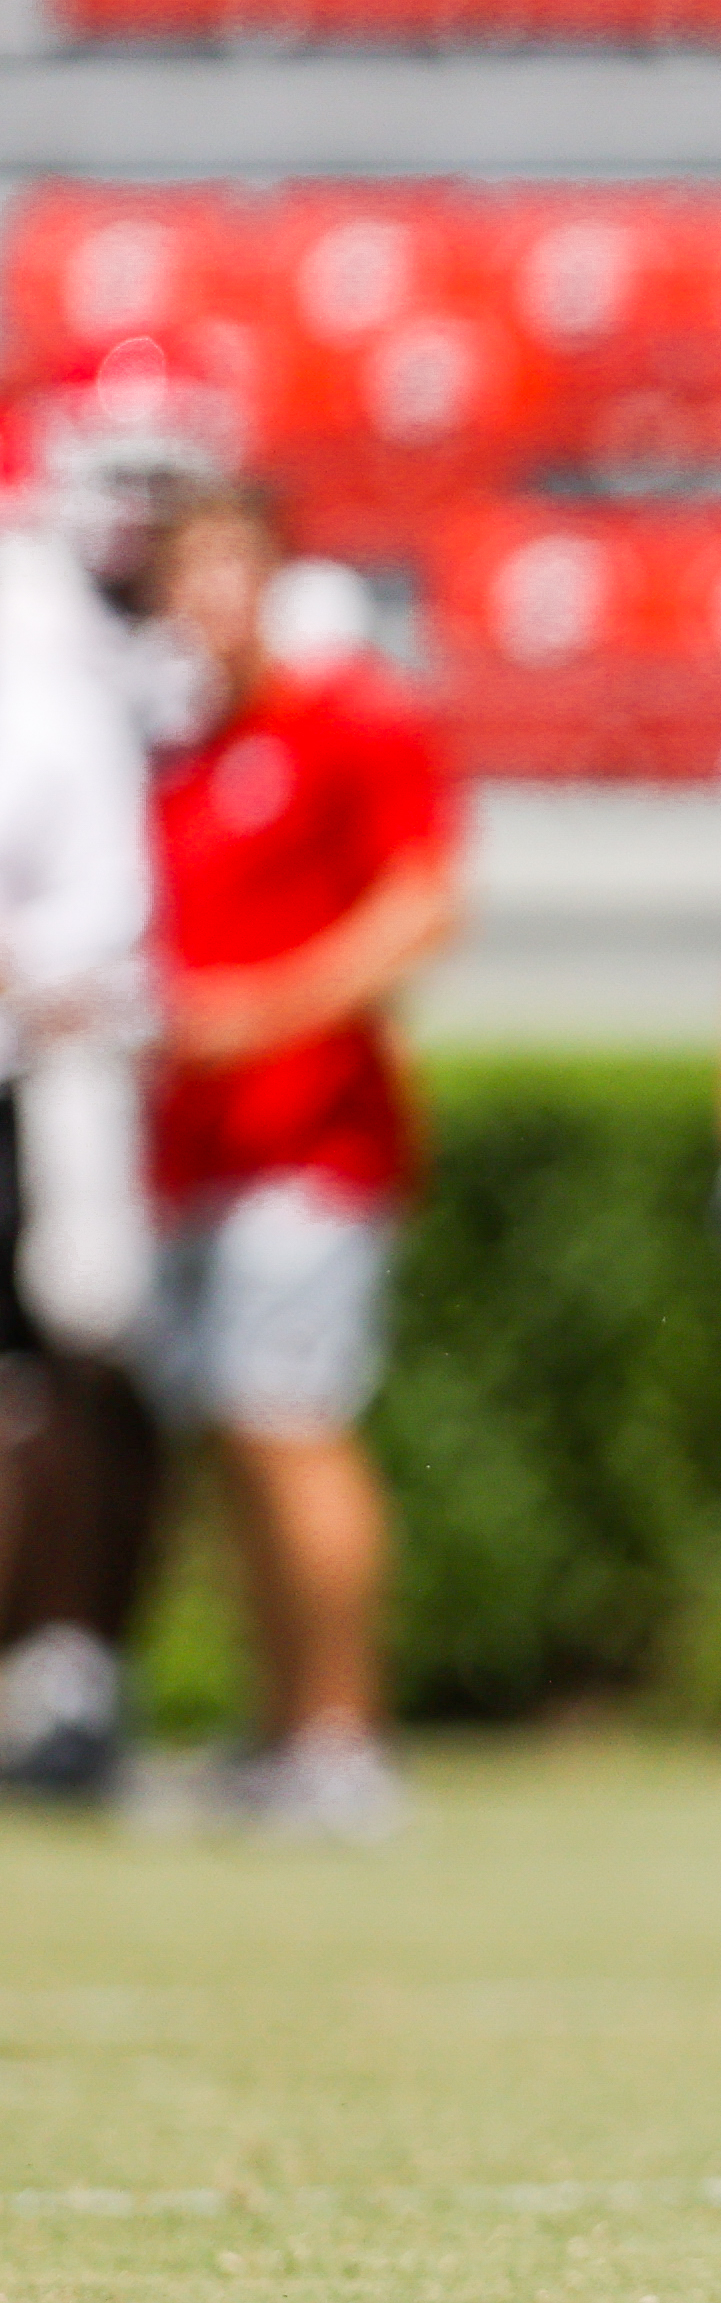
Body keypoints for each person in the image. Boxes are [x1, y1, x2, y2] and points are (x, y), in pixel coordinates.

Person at [130, 485, 463, 1838]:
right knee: (231, 1438)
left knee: (291, 1422)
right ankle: (279, 1730)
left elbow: (422, 909)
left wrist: (260, 1012)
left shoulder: (344, 718)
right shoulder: (172, 747)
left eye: (230, 565)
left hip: (308, 1145)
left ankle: (342, 1737)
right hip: (188, 1150)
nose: (206, 597)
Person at [0, 342, 213, 1809]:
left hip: (159, 1058)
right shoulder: (27, 619)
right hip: (49, 1050)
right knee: (55, 1364)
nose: (137, 515)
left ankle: (77, 1675)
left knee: (113, 1364)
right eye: (115, 479)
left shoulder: (191, 634)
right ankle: (47, 1672)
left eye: (165, 484)